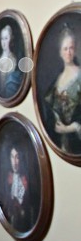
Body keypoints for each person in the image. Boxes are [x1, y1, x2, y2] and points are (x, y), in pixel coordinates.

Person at [43, 25, 81, 155]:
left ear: (75, 50)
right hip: (60, 144)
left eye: (71, 48)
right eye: (65, 49)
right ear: (60, 52)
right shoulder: (57, 80)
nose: (68, 52)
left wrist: (69, 128)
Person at [1, 145, 32, 232]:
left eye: (17, 157)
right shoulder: (7, 179)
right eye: (12, 157)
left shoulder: (26, 180)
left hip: (24, 224)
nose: (14, 162)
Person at [0, 23, 22, 100]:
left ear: (11, 39)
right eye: (2, 38)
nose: (3, 42)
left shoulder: (14, 59)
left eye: (6, 38)